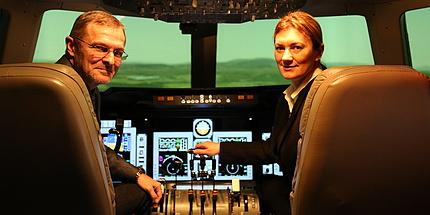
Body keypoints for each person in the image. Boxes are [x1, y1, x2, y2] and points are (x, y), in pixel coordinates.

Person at [193, 11, 324, 214]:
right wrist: (221, 148)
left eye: (296, 47)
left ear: (318, 52)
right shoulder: (290, 96)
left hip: (317, 201)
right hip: (302, 193)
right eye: (280, 48)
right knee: (269, 185)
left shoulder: (325, 96)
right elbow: (275, 148)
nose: (286, 57)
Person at [56, 10, 162, 215]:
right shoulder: (60, 91)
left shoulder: (87, 89)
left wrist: (137, 174)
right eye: (100, 48)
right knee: (142, 194)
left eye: (118, 53)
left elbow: (92, 147)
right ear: (71, 46)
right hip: (59, 199)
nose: (110, 60)